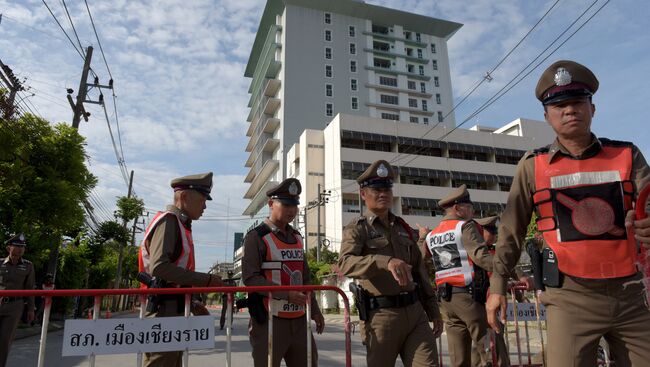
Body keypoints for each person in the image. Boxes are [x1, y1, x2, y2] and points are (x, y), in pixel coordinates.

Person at [485, 60, 650, 366]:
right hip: (569, 299)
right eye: (559, 105)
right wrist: (497, 288)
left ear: (592, 108)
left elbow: (647, 207)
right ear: (547, 116)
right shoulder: (532, 166)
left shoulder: (628, 155)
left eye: (577, 102)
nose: (570, 110)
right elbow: (511, 231)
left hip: (631, 297)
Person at [338, 160, 443, 367]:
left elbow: (420, 271)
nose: (383, 193)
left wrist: (433, 310)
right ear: (363, 194)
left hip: (415, 314)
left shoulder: (403, 227)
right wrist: (384, 261)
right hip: (381, 317)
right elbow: (345, 263)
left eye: (387, 188)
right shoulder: (357, 229)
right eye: (376, 189)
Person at [138, 172, 224, 367]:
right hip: (163, 310)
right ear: (184, 197)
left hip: (173, 308)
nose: (205, 206)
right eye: (203, 199)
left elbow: (175, 272)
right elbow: (160, 268)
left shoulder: (180, 225)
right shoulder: (169, 221)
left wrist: (192, 302)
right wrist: (206, 280)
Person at [242, 178, 325, 367]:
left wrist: (315, 310)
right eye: (286, 204)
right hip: (269, 320)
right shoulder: (256, 237)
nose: (291, 210)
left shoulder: (296, 237)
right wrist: (285, 294)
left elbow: (305, 276)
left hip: (299, 320)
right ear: (271, 204)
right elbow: (251, 278)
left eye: (295, 205)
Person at [420, 185, 494, 367]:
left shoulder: (432, 235)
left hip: (446, 301)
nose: (472, 210)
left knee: (458, 358)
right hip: (469, 298)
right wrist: (505, 269)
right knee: (487, 352)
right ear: (457, 208)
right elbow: (481, 257)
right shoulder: (464, 226)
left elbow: (420, 259)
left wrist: (422, 238)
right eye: (469, 206)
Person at [0, 233, 34, 367]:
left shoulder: (28, 266)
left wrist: (31, 309)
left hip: (15, 306)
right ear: (9, 248)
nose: (20, 249)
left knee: (4, 341)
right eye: (17, 246)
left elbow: (30, 288)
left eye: (23, 247)